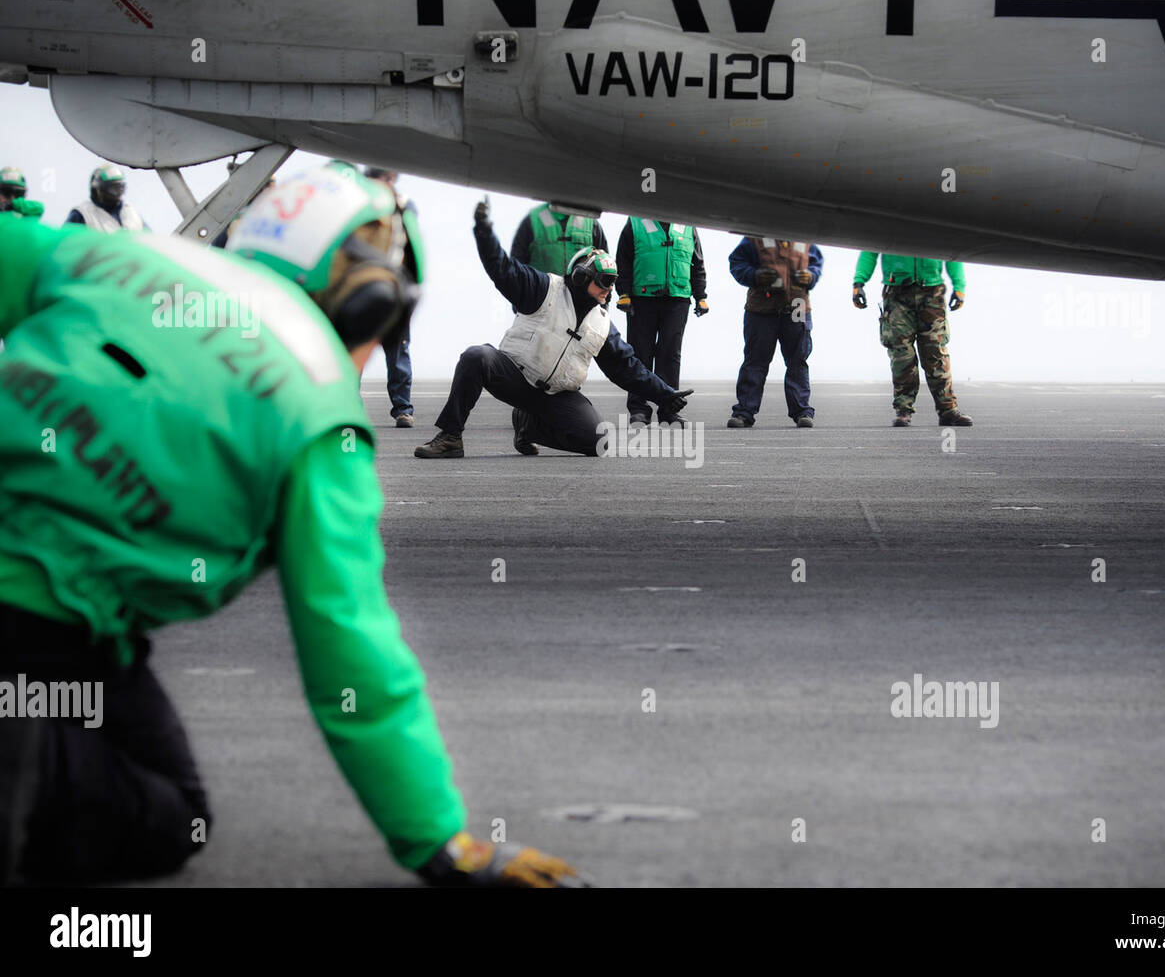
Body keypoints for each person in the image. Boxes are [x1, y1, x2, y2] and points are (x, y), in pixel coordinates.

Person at [0, 165, 583, 887]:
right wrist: (443, 842)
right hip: (37, 619)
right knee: (167, 812)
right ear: (367, 300)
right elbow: (350, 641)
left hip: (82, 633)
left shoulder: (114, 258)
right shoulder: (318, 417)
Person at [414, 198, 692, 459]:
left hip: (556, 396)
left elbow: (629, 369)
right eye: (605, 280)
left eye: (613, 281)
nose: (610, 288)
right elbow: (502, 268)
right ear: (583, 276)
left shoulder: (602, 323)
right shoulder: (542, 288)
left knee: (600, 442)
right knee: (476, 357)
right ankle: (450, 436)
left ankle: (529, 426)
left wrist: (664, 393)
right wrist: (484, 232)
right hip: (515, 377)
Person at [853, 252, 972, 426]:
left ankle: (947, 410)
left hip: (932, 292)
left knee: (935, 352)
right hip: (897, 293)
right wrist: (859, 281)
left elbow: (950, 249)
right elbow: (869, 251)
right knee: (902, 354)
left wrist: (959, 286)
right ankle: (903, 411)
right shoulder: (887, 224)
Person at [614, 217, 708, 426]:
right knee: (640, 353)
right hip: (641, 298)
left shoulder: (688, 225)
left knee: (670, 354)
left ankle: (668, 410)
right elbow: (623, 260)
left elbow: (697, 262)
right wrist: (624, 293)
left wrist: (701, 296)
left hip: (678, 298)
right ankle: (639, 409)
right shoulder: (635, 223)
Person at [726, 236, 823, 429]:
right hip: (761, 309)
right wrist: (754, 275)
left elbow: (816, 264)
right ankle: (744, 413)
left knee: (798, 361)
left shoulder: (805, 238)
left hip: (797, 307)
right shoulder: (754, 238)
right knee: (755, 361)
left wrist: (812, 276)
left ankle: (802, 412)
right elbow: (737, 263)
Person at [365, 167, 424, 428]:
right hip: (364, 287)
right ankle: (348, 408)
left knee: (398, 351)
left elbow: (413, 249)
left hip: (392, 288)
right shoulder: (358, 204)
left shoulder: (403, 207)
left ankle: (403, 409)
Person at [510, 201, 608, 275]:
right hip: (541, 298)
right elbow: (516, 268)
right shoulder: (535, 219)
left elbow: (606, 264)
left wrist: (604, 300)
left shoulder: (590, 222)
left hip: (579, 300)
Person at [64, 163, 147, 232]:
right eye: (113, 189)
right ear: (98, 189)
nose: (117, 194)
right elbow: (65, 244)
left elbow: (150, 241)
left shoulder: (132, 212)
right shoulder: (83, 214)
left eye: (120, 188)